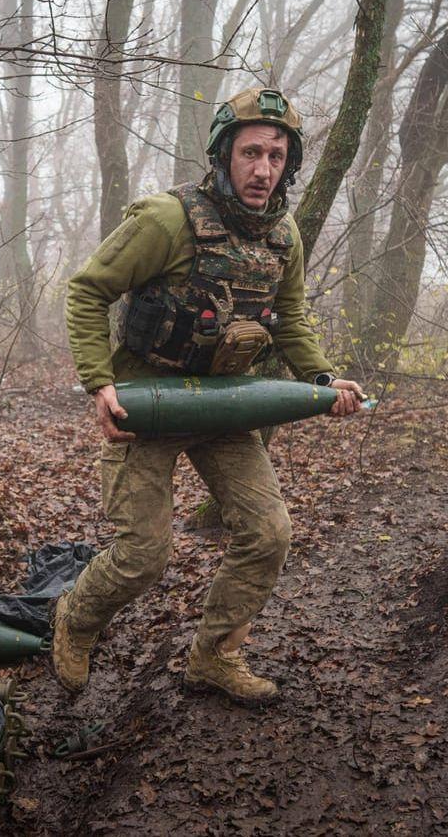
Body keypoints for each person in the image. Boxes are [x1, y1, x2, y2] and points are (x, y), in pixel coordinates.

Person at [56, 86, 365, 704]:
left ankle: (215, 657)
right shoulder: (165, 220)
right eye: (251, 153)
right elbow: (88, 290)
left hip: (224, 405)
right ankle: (76, 619)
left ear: (288, 166)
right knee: (143, 555)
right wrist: (99, 383)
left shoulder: (283, 236)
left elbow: (291, 317)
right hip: (148, 404)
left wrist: (322, 380)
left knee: (269, 532)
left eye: (276, 157)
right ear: (225, 154)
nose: (263, 170)